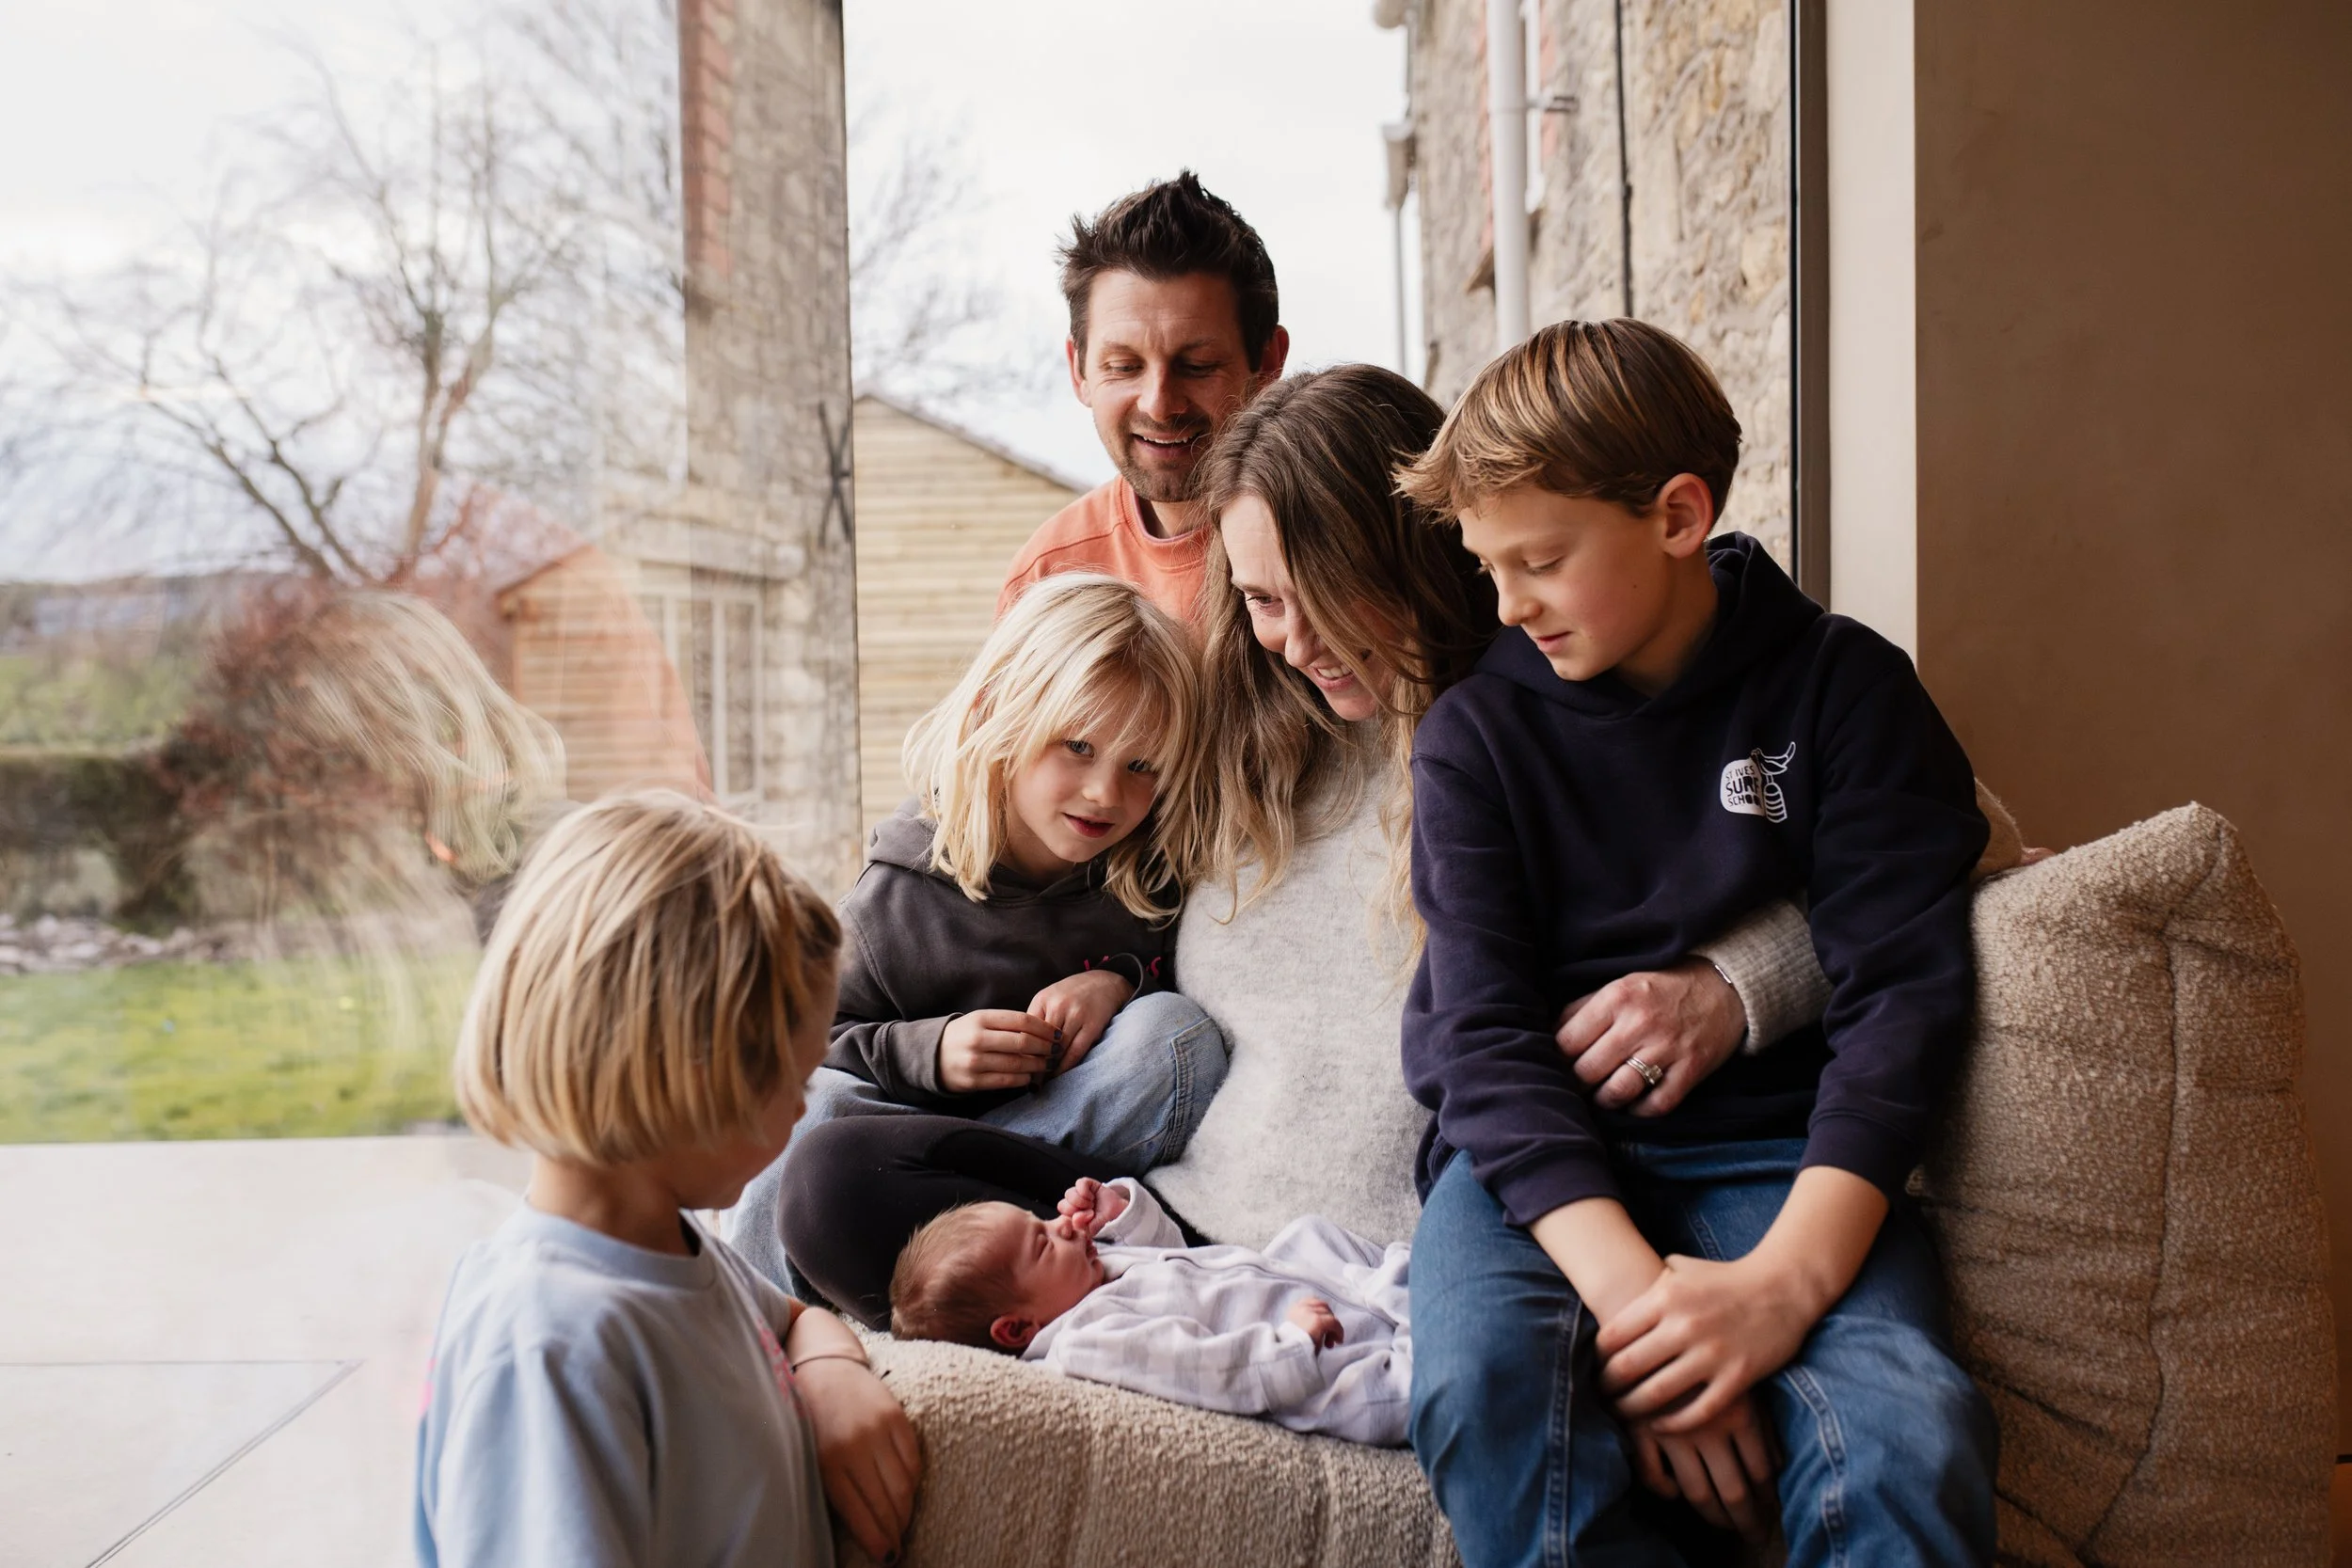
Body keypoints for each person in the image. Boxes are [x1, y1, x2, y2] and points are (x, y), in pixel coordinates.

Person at [771, 365, 1836, 1323]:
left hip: (1392, 1250)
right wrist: (1101, 978)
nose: (1295, 636)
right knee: (831, 1175)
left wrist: (1727, 986)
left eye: (1322, 593)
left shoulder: (1550, 708)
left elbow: (1939, 862)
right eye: (1264, 600)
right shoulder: (1237, 735)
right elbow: (1051, 828)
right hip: (1171, 1219)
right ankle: (796, 1342)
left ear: (1419, 551)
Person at [1398, 320, 1997, 1566]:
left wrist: (1780, 1287)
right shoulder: (1474, 735)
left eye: (1543, 560)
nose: (1507, 605)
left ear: (1676, 516)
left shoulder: (1848, 687)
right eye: (1488, 566)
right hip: (1534, 1176)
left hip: (1784, 1152)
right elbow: (1485, 1045)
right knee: (1482, 1389)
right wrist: (1651, 1319)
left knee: (1908, 1428)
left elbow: (1903, 996)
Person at [413, 791, 920, 1568]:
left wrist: (829, 1369)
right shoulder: (550, 1342)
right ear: (684, 1068)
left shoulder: (669, 1245)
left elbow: (789, 1318)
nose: (804, 1103)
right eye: (787, 1077)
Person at [731, 575, 1230, 1301]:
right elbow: (805, 1043)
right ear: (1003, 717)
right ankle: (766, 1309)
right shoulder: (896, 897)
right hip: (911, 1165)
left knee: (1174, 1034)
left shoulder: (1144, 868)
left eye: (1141, 766)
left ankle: (1019, 1260)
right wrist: (931, 1051)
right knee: (816, 1112)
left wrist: (1119, 981)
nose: (1105, 793)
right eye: (1078, 746)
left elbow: (1176, 989)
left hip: (1048, 1169)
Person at [890, 1175, 1413, 1447]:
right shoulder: (1088, 1341)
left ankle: (1398, 1288)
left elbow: (1178, 1258)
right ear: (1018, 1328)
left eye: (1043, 1221)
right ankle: (1410, 1308)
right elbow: (1203, 1371)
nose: (1063, 1225)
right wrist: (1291, 1347)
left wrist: (1123, 1214)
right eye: (1044, 1245)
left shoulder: (1085, 1277)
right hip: (1320, 1366)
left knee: (1307, 1233)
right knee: (1398, 1390)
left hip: (1291, 1287)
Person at [997, 171, 1291, 626]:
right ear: (1079, 370)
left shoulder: (1340, 540)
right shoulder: (1047, 579)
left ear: (1269, 362)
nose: (1159, 404)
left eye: (1197, 366)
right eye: (1124, 367)